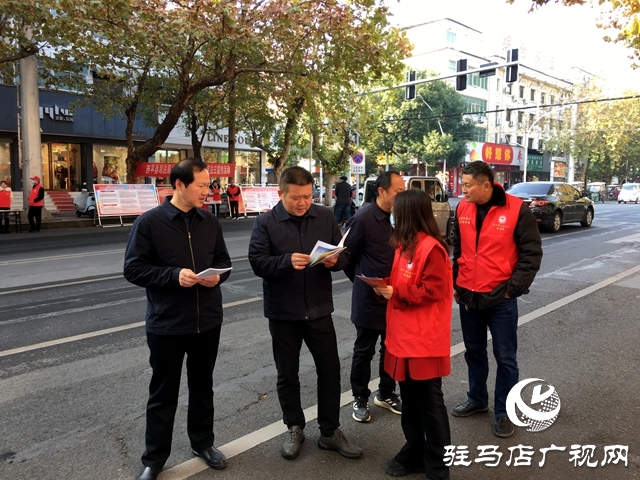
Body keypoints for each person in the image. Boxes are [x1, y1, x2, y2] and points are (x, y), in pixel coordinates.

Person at [123, 158, 232, 480]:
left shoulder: (209, 222)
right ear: (180, 185)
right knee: (163, 393)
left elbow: (223, 261)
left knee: (203, 388)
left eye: (208, 185)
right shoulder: (149, 223)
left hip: (206, 320)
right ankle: (154, 459)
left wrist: (218, 277)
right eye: (201, 185)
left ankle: (203, 443)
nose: (207, 191)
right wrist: (173, 276)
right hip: (167, 323)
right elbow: (133, 269)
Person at [248, 166, 362, 461]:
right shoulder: (265, 222)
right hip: (283, 312)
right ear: (281, 193)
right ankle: (294, 427)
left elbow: (343, 255)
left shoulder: (324, 216)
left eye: (308, 197)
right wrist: (285, 262)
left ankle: (330, 431)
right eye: (296, 197)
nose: (302, 203)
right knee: (287, 373)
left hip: (319, 309)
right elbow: (258, 262)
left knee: (330, 371)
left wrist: (335, 261)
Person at [451, 161, 542, 438]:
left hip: (501, 298)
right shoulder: (462, 207)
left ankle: (504, 412)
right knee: (474, 352)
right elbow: (458, 249)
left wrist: (513, 289)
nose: (463, 189)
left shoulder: (516, 209)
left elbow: (531, 253)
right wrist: (456, 282)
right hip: (469, 295)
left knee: (505, 358)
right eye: (463, 184)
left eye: (468, 185)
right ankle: (477, 399)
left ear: (486, 185)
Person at [373, 189, 452, 480]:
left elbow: (434, 290)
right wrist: (383, 286)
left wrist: (396, 292)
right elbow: (400, 282)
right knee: (410, 401)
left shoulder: (432, 249)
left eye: (396, 211)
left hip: (423, 340)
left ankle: (439, 465)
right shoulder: (403, 245)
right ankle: (415, 451)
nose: (392, 215)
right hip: (403, 337)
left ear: (408, 214)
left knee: (430, 402)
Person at [343, 171, 405, 423]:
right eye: (398, 192)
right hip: (369, 299)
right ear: (382, 191)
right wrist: (364, 283)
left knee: (391, 349)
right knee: (364, 350)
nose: (403, 196)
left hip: (396, 297)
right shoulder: (362, 219)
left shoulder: (401, 217)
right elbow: (347, 258)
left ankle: (386, 393)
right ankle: (360, 397)